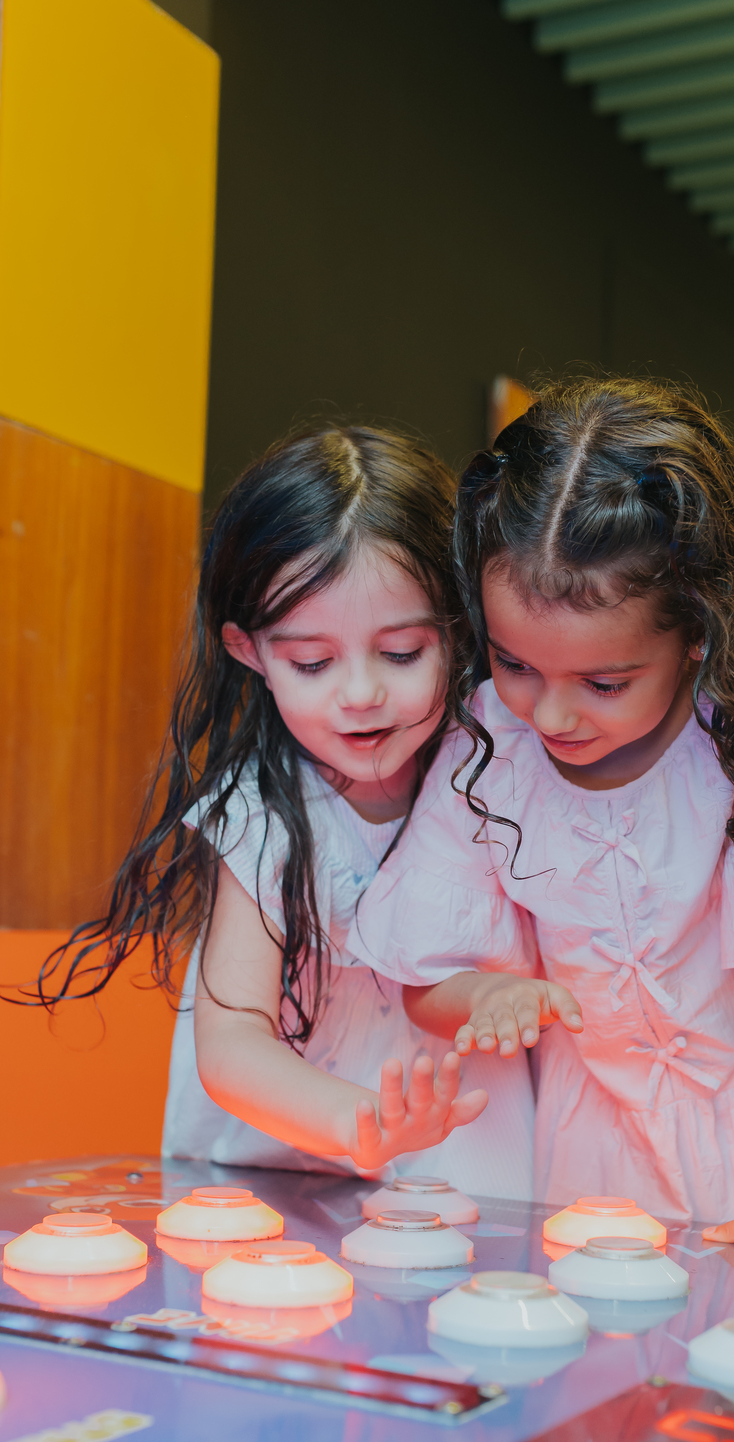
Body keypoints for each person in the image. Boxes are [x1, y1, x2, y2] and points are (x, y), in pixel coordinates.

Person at [354, 377, 734, 1271]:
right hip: (596, 1145)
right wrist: (480, 999)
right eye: (516, 663)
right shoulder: (491, 742)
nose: (550, 715)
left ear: (698, 632)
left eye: (603, 683)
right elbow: (419, 973)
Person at [37, 426, 534, 1196]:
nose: (362, 693)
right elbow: (233, 1041)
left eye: (402, 653)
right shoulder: (262, 815)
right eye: (312, 662)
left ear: (457, 630)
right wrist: (358, 1123)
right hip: (281, 1177)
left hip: (457, 1160)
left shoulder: (494, 779)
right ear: (249, 650)